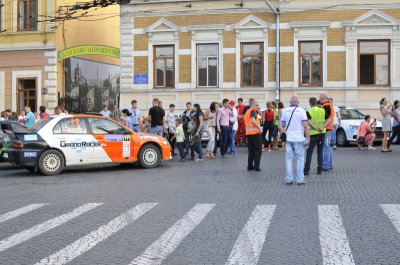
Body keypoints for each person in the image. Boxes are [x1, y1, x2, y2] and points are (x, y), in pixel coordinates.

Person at [281, 96, 310, 185]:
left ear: (290, 102)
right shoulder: (301, 111)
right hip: (299, 138)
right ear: (298, 102)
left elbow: (283, 124)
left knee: (288, 159)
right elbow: (305, 125)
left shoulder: (285, 110)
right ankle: (300, 179)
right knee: (300, 159)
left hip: (289, 138)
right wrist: (308, 137)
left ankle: (289, 179)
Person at [304, 97, 327, 176]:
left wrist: (315, 128)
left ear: (310, 103)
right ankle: (319, 169)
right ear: (317, 103)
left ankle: (306, 170)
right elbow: (329, 119)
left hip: (313, 134)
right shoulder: (323, 110)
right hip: (321, 134)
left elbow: (309, 122)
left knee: (309, 152)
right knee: (320, 152)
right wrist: (322, 127)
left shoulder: (309, 111)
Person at [244, 100, 263, 171]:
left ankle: (250, 166)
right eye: (257, 105)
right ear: (253, 105)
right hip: (255, 133)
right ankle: (256, 167)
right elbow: (252, 120)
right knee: (258, 150)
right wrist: (259, 128)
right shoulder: (253, 111)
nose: (258, 107)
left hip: (249, 134)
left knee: (251, 150)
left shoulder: (247, 112)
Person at [320, 93, 334, 171]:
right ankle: (330, 164)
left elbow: (326, 119)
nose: (319, 100)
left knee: (325, 147)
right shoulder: (330, 105)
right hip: (329, 128)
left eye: (320, 98)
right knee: (328, 147)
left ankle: (326, 165)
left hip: (326, 128)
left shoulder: (326, 106)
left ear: (323, 98)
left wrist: (322, 127)